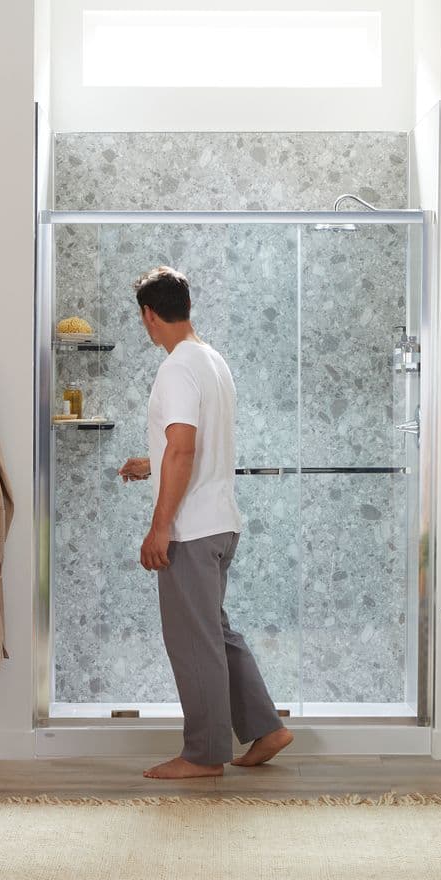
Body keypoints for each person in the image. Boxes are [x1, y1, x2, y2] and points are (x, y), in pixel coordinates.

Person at [118, 266, 293, 780]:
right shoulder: (213, 361)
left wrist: (159, 527)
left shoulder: (175, 368)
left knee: (194, 641)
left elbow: (185, 447)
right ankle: (267, 727)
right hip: (220, 521)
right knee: (215, 633)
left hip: (190, 528)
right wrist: (150, 461)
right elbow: (191, 446)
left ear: (150, 316)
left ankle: (203, 754)